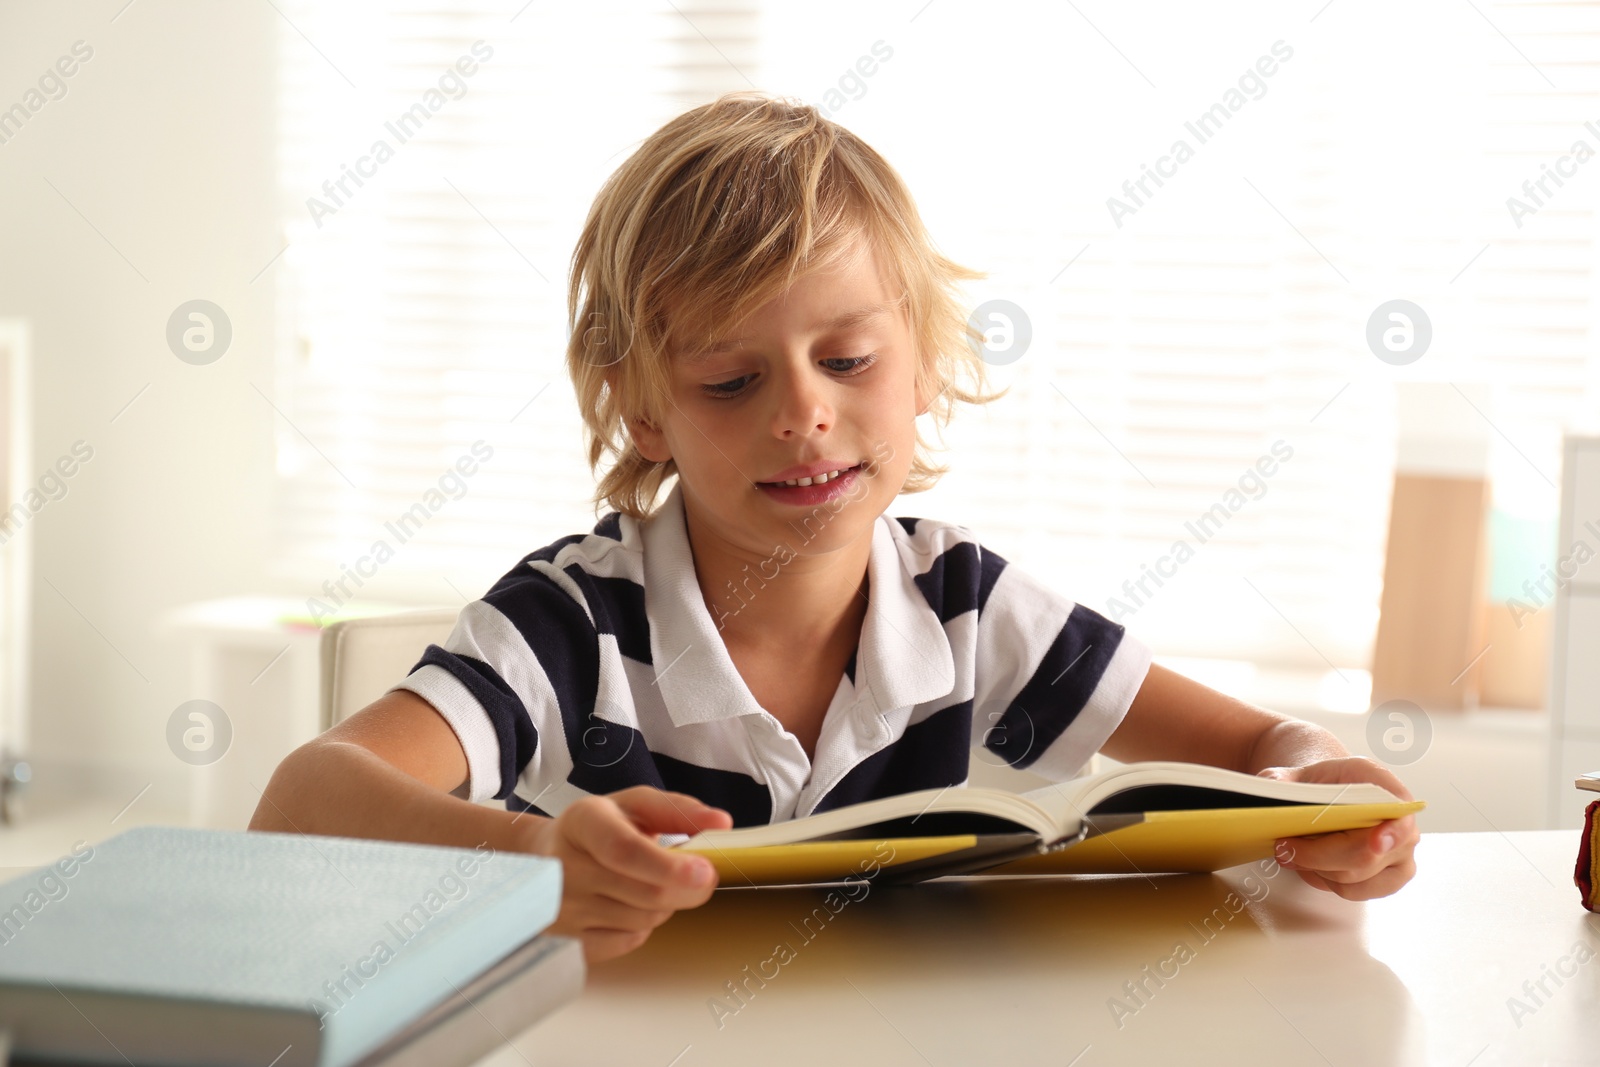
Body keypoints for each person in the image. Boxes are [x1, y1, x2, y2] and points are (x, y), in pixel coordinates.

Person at [251, 91, 1418, 964]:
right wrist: (532, 864)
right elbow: (302, 801)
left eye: (849, 359)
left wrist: (1327, 791)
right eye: (728, 381)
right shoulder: (573, 623)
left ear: (922, 365)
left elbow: (1265, 749)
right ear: (642, 407)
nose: (805, 413)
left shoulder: (963, 597)